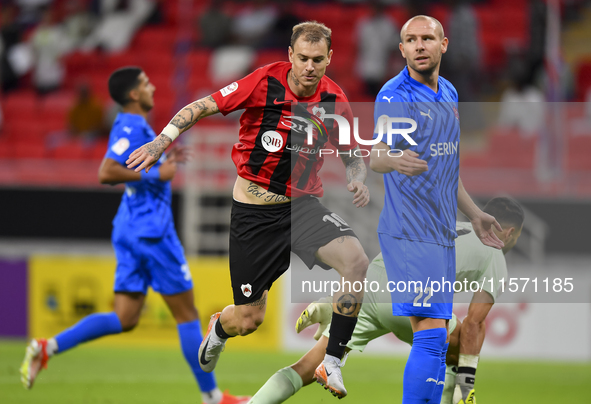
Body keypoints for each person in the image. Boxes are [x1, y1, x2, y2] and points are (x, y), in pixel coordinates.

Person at [126, 22, 371, 399]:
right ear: (290, 55)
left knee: (356, 261)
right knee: (248, 320)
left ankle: (332, 359)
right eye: (302, 58)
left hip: (302, 208)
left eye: (317, 60)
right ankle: (220, 330)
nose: (309, 66)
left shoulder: (335, 100)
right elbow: (201, 106)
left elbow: (352, 154)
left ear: (330, 59)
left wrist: (357, 176)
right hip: (254, 216)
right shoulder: (263, 82)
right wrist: (162, 141)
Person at [20, 66, 249, 404]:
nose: (153, 86)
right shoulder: (130, 125)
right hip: (152, 233)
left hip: (130, 229)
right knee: (187, 314)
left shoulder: (135, 127)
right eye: (145, 83)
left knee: (124, 318)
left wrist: (160, 164)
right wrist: (160, 174)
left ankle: (47, 347)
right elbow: (107, 171)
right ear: (133, 94)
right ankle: (213, 397)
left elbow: (133, 166)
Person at [247, 196, 524, 404]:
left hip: (374, 280)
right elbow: (475, 322)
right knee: (461, 346)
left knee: (307, 366)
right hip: (414, 295)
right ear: (510, 232)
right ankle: (462, 394)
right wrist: (468, 379)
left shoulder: (454, 226)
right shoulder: (495, 255)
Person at [369, 15, 504, 404]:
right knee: (430, 333)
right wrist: (395, 160)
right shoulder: (396, 97)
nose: (419, 45)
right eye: (410, 40)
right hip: (410, 229)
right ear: (402, 50)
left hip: (441, 230)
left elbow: (448, 170)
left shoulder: (448, 93)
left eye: (427, 38)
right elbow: (376, 155)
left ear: (443, 45)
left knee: (436, 333)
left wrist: (474, 213)